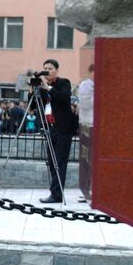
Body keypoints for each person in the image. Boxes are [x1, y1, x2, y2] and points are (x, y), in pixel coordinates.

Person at [39, 58, 79, 204]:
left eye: (50, 68)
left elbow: (64, 97)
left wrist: (48, 88)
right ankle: (55, 192)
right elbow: (37, 105)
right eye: (45, 68)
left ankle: (56, 194)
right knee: (51, 161)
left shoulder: (64, 83)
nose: (47, 71)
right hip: (50, 128)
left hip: (63, 129)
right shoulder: (43, 87)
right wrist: (34, 91)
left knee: (59, 162)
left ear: (57, 70)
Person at [76, 62, 95, 203]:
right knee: (86, 158)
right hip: (87, 125)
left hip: (101, 126)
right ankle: (85, 189)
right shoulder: (85, 86)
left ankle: (96, 189)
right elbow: (87, 105)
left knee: (97, 159)